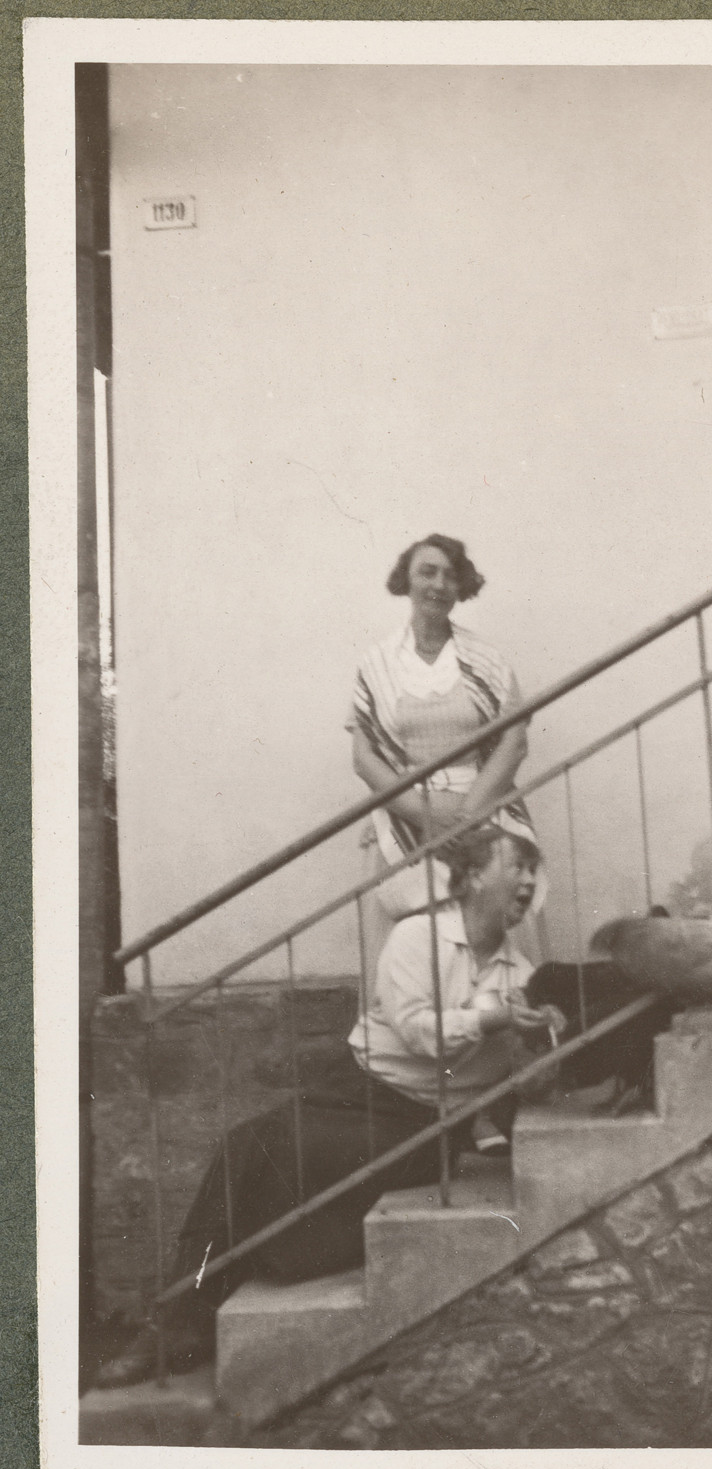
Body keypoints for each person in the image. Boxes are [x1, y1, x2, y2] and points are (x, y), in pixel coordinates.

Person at [93, 828, 563, 1389]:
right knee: (249, 1145)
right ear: (473, 877)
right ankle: (176, 1321)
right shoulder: (417, 938)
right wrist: (494, 1019)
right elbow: (419, 1033)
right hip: (359, 1090)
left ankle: (191, 1317)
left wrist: (545, 1040)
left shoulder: (523, 977)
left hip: (430, 1125)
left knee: (286, 1160)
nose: (529, 882)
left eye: (533, 871)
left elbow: (527, 1081)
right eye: (517, 867)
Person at [349, 533, 545, 977]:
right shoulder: (376, 664)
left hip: (480, 810)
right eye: (427, 572)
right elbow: (364, 757)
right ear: (407, 580)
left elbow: (514, 742)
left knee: (491, 920)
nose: (438, 585)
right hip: (405, 818)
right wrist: (425, 817)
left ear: (462, 586)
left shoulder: (486, 659)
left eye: (450, 576)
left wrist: (466, 819)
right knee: (412, 949)